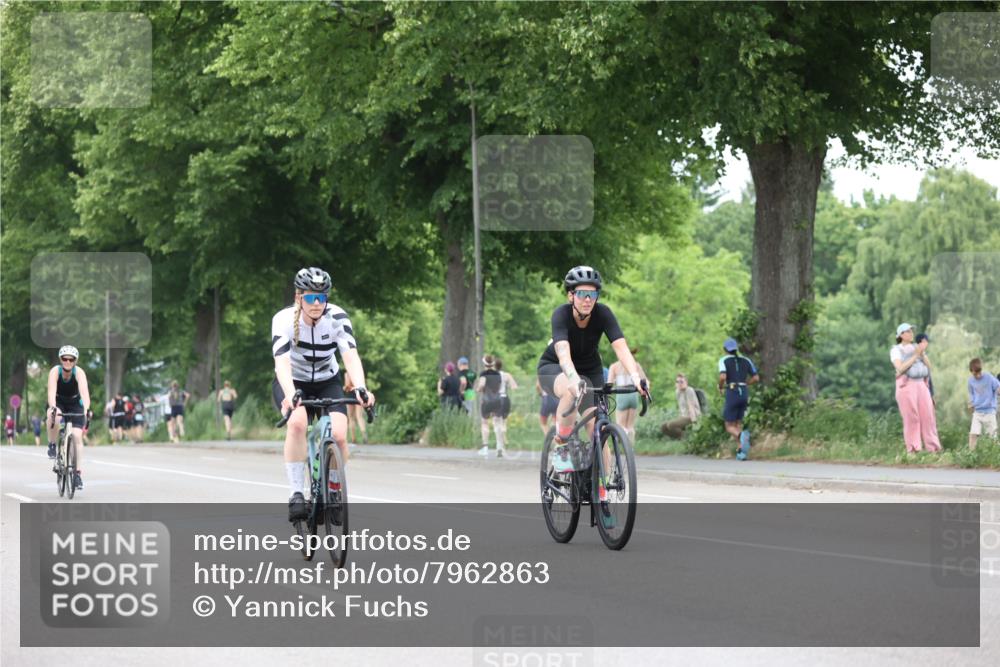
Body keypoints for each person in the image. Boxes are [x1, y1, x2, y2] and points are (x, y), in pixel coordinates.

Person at [536, 266, 649, 527]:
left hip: (591, 369)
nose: (588, 299)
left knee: (599, 431)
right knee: (570, 389)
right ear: (570, 296)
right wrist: (574, 380)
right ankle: (562, 443)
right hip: (555, 368)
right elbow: (564, 354)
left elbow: (621, 348)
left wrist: (635, 377)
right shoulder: (561, 315)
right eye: (582, 294)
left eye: (593, 294)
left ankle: (602, 498)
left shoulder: (603, 314)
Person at [272, 267, 376, 522]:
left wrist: (361, 387)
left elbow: (350, 356)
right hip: (294, 381)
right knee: (297, 423)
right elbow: (281, 364)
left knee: (339, 435)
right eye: (310, 298)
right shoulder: (283, 320)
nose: (317, 303)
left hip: (327, 379)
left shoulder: (338, 317)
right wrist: (290, 394)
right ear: (299, 298)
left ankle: (333, 488)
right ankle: (296, 493)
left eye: (322, 297)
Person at [890, 323, 941, 454]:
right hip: (906, 385)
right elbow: (900, 368)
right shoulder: (896, 350)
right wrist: (915, 356)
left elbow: (929, 367)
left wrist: (922, 354)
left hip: (921, 385)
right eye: (908, 331)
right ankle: (913, 450)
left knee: (928, 417)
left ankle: (933, 449)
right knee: (912, 418)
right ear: (901, 335)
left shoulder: (916, 347)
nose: (911, 333)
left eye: (912, 331)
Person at [46, 345, 91, 491]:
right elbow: (51, 392)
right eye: (65, 359)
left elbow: (84, 392)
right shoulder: (55, 371)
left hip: (74, 403)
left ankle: (77, 474)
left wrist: (86, 409)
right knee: (54, 416)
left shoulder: (79, 372)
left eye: (71, 359)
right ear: (61, 359)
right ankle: (52, 444)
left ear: (75, 361)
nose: (68, 362)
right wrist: (53, 407)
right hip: (58, 401)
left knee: (77, 437)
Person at [718, 338, 760, 460]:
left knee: (729, 426)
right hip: (744, 393)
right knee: (737, 423)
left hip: (732, 392)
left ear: (725, 349)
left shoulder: (723, 360)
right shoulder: (746, 360)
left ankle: (742, 436)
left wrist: (720, 386)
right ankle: (741, 452)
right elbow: (756, 378)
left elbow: (722, 376)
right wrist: (746, 383)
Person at [475, 355, 519, 458]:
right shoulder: (498, 375)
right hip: (498, 400)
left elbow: (482, 384)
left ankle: (485, 447)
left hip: (487, 400)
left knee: (485, 423)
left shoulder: (484, 374)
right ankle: (499, 446)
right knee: (498, 423)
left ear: (484, 363)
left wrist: (479, 388)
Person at [608, 348, 648, 444]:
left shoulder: (614, 366)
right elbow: (645, 380)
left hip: (621, 394)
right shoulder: (636, 365)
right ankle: (631, 447)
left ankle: (622, 447)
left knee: (620, 424)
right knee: (630, 426)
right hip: (633, 394)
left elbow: (609, 382)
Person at [967, 358, 1000, 450]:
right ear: (971, 371)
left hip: (989, 411)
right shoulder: (970, 381)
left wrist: (998, 390)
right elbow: (971, 394)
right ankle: (971, 455)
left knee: (992, 437)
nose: (978, 375)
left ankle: (996, 454)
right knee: (973, 434)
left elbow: (997, 387)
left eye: (979, 372)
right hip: (977, 412)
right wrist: (971, 403)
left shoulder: (989, 377)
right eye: (975, 373)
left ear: (981, 369)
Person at [661, 373, 702, 439]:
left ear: (686, 382)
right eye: (677, 382)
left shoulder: (689, 390)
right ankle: (677, 438)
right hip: (683, 416)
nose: (679, 383)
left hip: (691, 416)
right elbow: (681, 407)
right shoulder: (678, 392)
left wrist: (694, 421)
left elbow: (691, 406)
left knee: (671, 425)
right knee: (664, 426)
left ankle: (684, 437)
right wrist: (679, 417)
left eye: (681, 382)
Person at [343, 370, 367, 446]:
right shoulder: (358, 372)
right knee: (360, 416)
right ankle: (364, 435)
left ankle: (353, 438)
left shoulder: (347, 374)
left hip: (350, 395)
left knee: (351, 417)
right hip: (359, 394)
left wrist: (344, 387)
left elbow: (347, 386)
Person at [915, 333, 936, 404]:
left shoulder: (922, 354)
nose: (927, 344)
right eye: (926, 341)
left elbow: (929, 368)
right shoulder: (915, 353)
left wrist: (931, 395)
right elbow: (929, 366)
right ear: (923, 341)